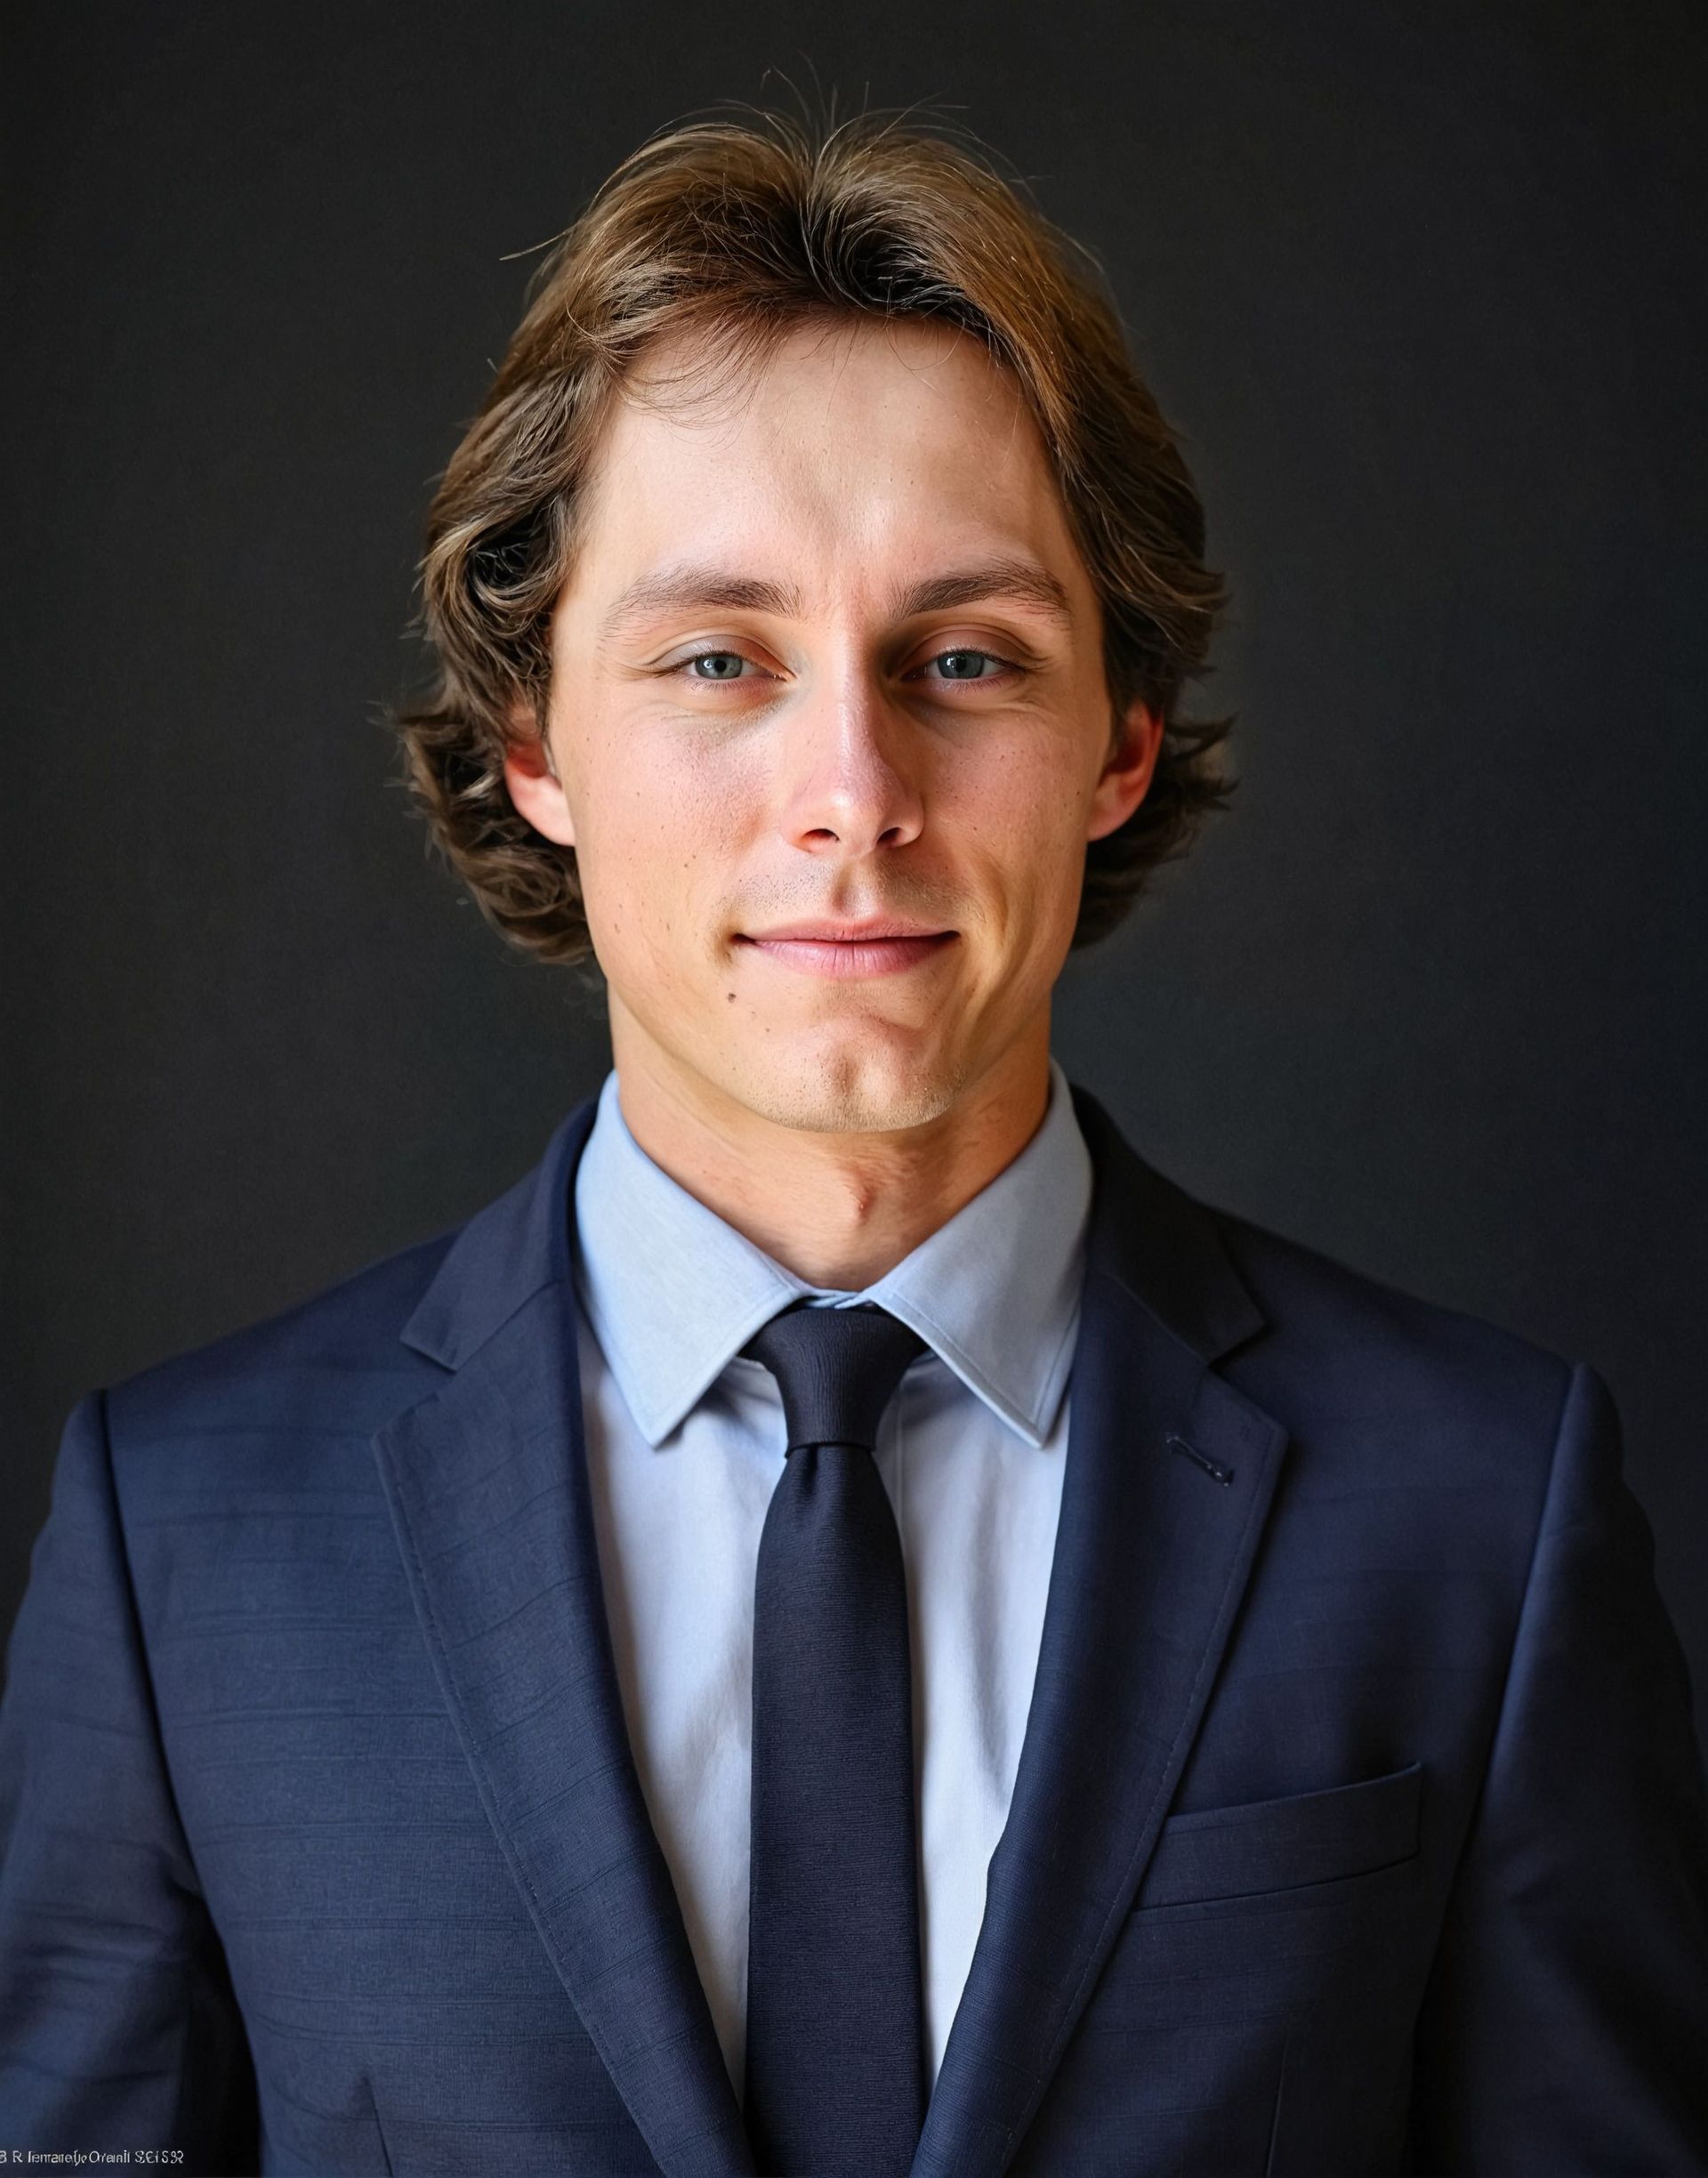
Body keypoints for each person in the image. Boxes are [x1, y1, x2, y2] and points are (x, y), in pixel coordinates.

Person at [2, 106, 1704, 2178]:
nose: (852, 789)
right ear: (536, 741)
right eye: (721, 658)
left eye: (965, 660)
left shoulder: (1484, 1513)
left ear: (1117, 743)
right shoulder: (178, 1540)